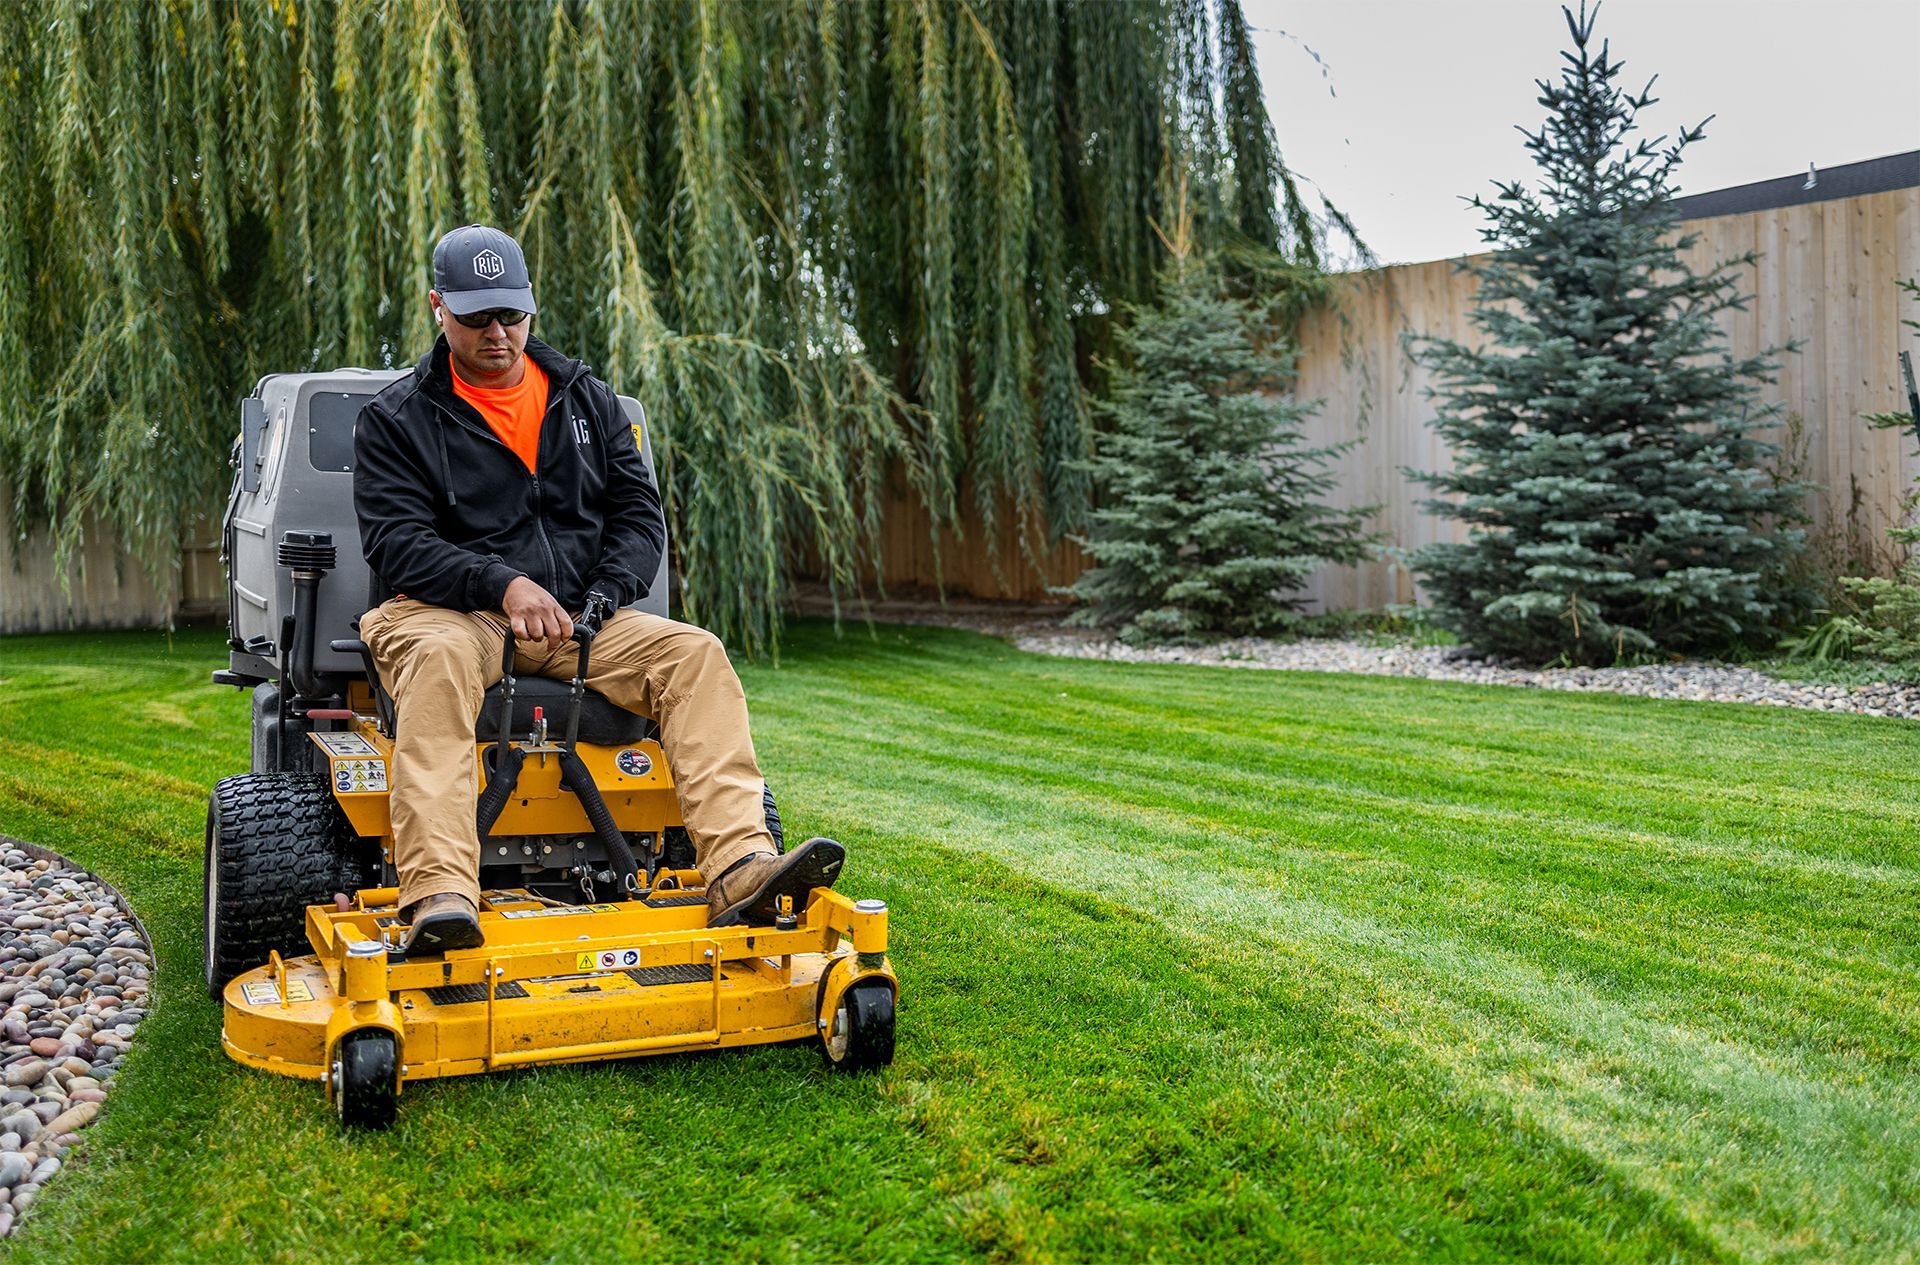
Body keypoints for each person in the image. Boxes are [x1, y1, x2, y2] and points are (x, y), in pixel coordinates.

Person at [352, 224, 844, 953]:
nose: (498, 332)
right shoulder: (396, 418)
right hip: (451, 614)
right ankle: (441, 894)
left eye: (511, 314)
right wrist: (503, 582)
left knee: (695, 653)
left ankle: (741, 867)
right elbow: (397, 543)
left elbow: (638, 516)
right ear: (437, 308)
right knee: (438, 661)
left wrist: (607, 595)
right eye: (477, 316)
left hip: (579, 619)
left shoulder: (586, 399)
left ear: (531, 307)